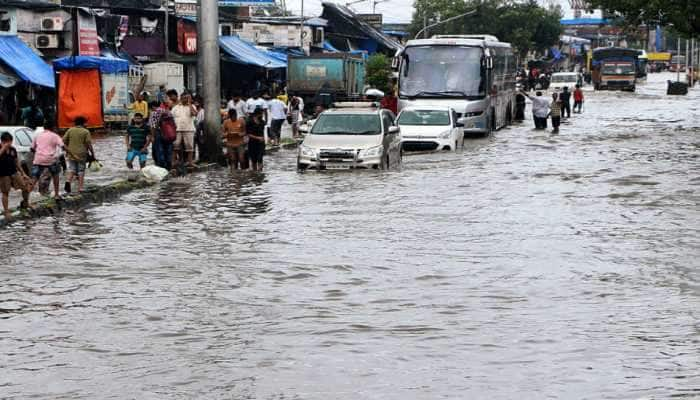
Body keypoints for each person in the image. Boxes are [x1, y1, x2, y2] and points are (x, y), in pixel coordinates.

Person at [1, 131, 32, 219]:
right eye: (7, 142)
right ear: (2, 141)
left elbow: (16, 162)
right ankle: (6, 211)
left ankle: (25, 203)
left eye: (10, 141)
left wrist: (23, 173)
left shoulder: (13, 149)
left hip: (14, 172)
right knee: (5, 192)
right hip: (3, 174)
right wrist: (3, 148)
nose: (9, 144)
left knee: (25, 187)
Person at [30, 119, 64, 199]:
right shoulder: (55, 136)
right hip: (50, 159)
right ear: (53, 127)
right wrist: (72, 153)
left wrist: (39, 153)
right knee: (56, 175)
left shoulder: (37, 135)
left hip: (38, 159)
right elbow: (62, 146)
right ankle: (56, 194)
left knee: (34, 178)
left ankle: (26, 197)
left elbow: (32, 148)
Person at [63, 116, 94, 194]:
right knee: (81, 170)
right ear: (83, 123)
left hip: (71, 153)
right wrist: (93, 154)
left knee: (72, 169)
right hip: (82, 154)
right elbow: (89, 144)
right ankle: (80, 188)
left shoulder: (70, 130)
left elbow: (63, 141)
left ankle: (68, 181)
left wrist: (67, 150)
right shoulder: (86, 132)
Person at [171, 92, 197, 169]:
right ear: (181, 98)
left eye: (186, 98)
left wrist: (189, 104)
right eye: (183, 98)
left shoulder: (192, 106)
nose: (184, 99)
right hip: (177, 129)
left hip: (189, 129)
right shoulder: (176, 107)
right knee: (175, 145)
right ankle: (173, 161)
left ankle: (190, 162)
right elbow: (171, 117)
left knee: (189, 146)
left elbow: (194, 114)